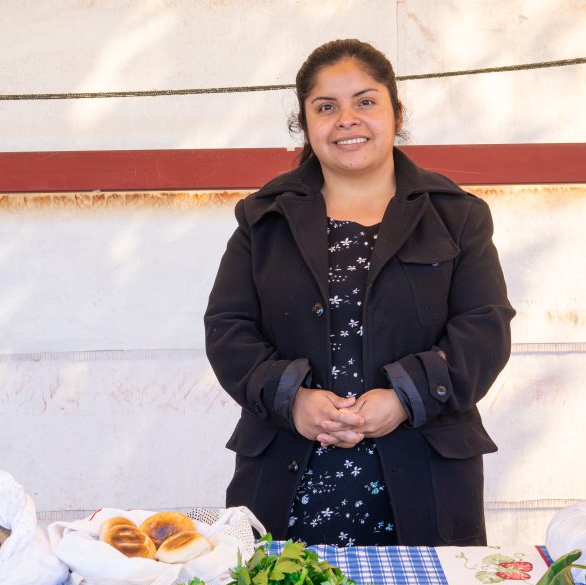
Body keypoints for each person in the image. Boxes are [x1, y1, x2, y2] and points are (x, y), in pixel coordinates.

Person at [204, 39, 514, 546]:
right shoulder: (264, 218)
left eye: (365, 101)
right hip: (288, 475)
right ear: (305, 124)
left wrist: (404, 397)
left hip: (426, 476)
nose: (347, 119)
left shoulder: (457, 215)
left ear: (396, 111)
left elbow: (485, 329)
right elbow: (228, 330)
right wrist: (293, 399)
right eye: (326, 107)